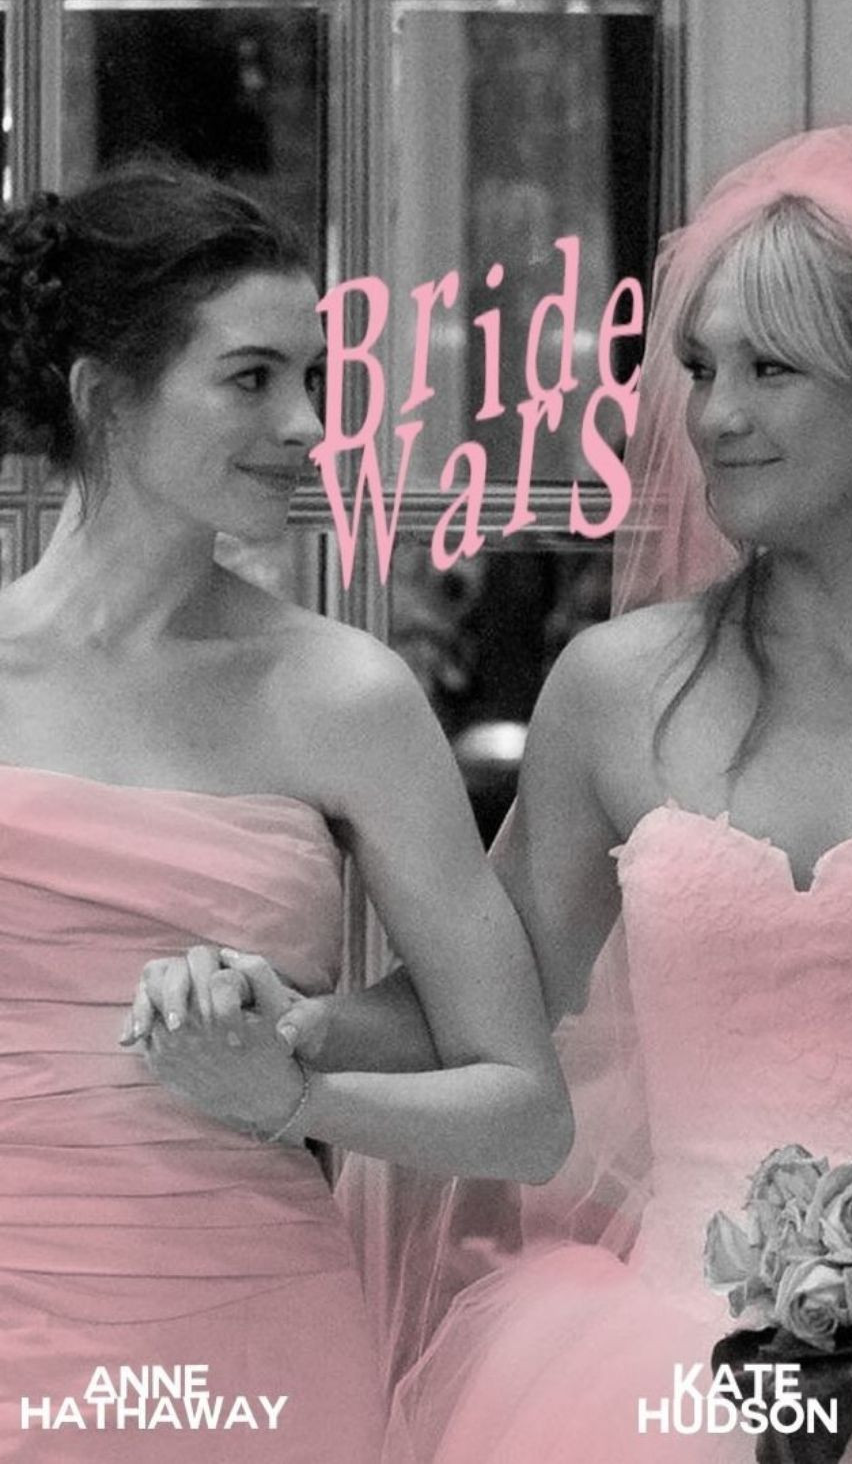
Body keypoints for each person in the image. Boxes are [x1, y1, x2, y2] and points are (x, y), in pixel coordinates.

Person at [354, 124, 852, 1462]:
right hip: (657, 1383)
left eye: (772, 369)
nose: (713, 416)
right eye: (701, 367)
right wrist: (285, 1029)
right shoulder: (613, 687)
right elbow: (485, 1010)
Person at [0, 161, 571, 1463]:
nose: (309, 425)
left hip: (252, 1354)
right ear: (102, 395)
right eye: (252, 378)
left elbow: (528, 1114)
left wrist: (291, 1089)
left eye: (314, 379)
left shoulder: (345, 695)